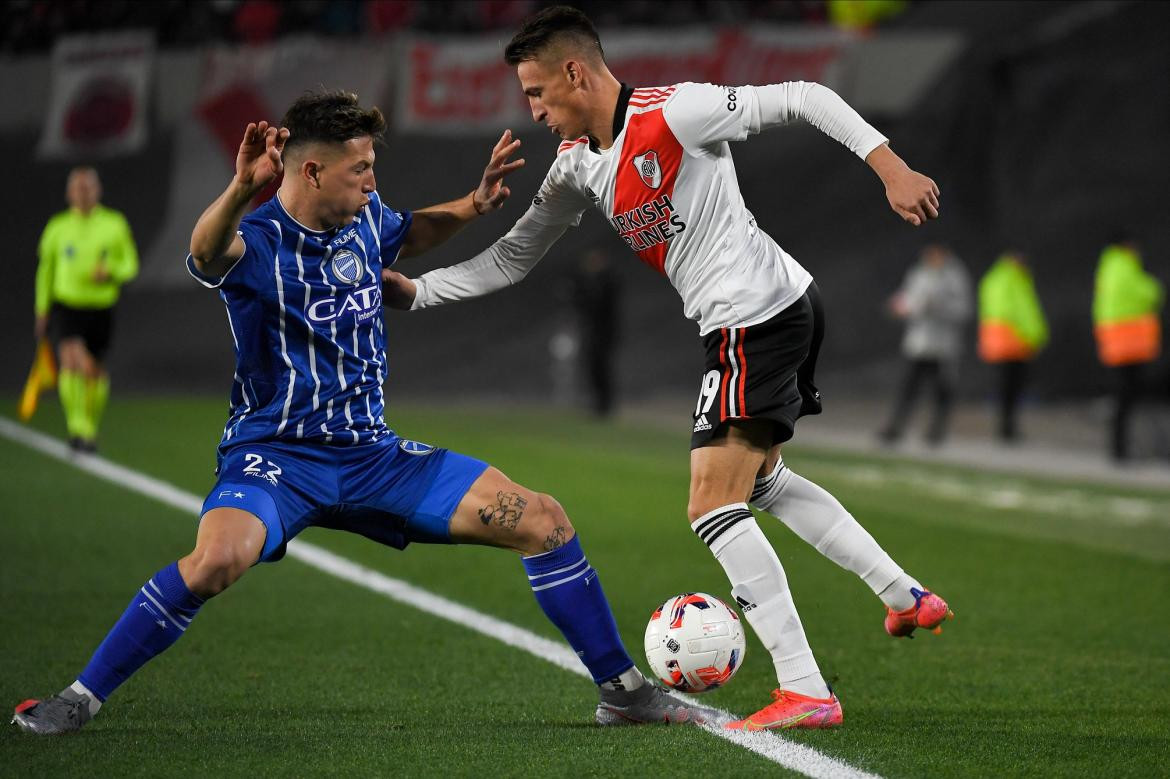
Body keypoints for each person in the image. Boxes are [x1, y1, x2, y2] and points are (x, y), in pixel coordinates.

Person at [12, 91, 707, 736]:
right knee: (217, 559)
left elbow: (407, 233)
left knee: (544, 519)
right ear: (311, 170)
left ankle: (621, 690)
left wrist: (473, 203)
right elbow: (202, 248)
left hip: (373, 458)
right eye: (362, 168)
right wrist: (239, 186)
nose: (373, 181)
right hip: (277, 457)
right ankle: (80, 696)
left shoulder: (364, 218)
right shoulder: (256, 243)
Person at [382, 6, 953, 731]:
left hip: (757, 317)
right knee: (762, 481)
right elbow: (516, 255)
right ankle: (903, 594)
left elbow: (807, 95)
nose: (531, 110)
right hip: (766, 311)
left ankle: (807, 687)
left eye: (536, 92)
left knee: (712, 504)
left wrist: (891, 168)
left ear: (575, 73)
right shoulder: (576, 168)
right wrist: (421, 291)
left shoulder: (676, 112)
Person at [34, 166, 139, 452]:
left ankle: (89, 428)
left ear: (97, 190)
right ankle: (77, 426)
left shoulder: (114, 223)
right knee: (71, 359)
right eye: (77, 188)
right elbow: (46, 270)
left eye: (88, 187)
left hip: (100, 307)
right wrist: (42, 308)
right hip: (67, 305)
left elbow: (130, 263)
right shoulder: (57, 227)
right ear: (69, 193)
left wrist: (112, 271)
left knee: (94, 371)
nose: (82, 193)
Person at [877, 244, 972, 446]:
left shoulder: (954, 276)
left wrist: (939, 308)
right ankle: (895, 427)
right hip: (918, 344)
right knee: (908, 388)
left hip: (942, 347)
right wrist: (901, 307)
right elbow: (906, 300)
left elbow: (964, 310)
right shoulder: (918, 273)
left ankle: (936, 431)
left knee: (942, 390)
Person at [1092, 233, 1163, 461]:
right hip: (1128, 345)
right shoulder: (1123, 267)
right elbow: (1150, 292)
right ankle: (1120, 449)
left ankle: (1122, 448)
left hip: (1122, 345)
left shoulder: (1110, 268)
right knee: (1127, 396)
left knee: (1127, 396)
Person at [977, 251, 1048, 442]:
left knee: (1008, 388)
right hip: (1014, 342)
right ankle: (1006, 429)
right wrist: (1035, 336)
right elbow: (1020, 313)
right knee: (1010, 388)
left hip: (1003, 343)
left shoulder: (995, 279)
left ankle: (1006, 428)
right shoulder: (1013, 280)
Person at [572, 248, 621, 417]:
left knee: (601, 368)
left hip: (604, 333)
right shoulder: (592, 282)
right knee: (593, 367)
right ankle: (598, 403)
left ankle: (604, 405)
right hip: (594, 332)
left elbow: (598, 306)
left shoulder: (607, 282)